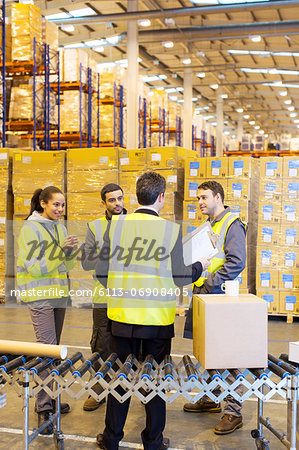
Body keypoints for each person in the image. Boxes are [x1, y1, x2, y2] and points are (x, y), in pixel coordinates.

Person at [95, 171, 210, 450]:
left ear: (136, 196)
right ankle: (153, 441)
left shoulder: (116, 226)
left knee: (119, 380)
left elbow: (101, 273)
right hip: (156, 321)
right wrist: (201, 266)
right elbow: (180, 277)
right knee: (155, 383)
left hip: (121, 318)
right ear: (161, 197)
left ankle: (111, 439)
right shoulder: (170, 231)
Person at [183, 180, 247, 435]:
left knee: (229, 355)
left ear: (218, 197)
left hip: (220, 296)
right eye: (198, 198)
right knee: (209, 352)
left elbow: (236, 262)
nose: (200, 202)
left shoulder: (232, 224)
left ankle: (233, 411)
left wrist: (210, 281)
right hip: (205, 295)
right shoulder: (208, 226)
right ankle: (212, 396)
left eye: (204, 197)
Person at [17, 186, 79, 434]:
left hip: (58, 293)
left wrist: (71, 251)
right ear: (43, 203)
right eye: (56, 205)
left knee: (55, 349)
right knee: (46, 350)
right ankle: (43, 408)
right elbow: (34, 266)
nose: (60, 210)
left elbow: (66, 264)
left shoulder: (60, 228)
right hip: (39, 294)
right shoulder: (30, 229)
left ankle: (50, 398)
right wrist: (60, 251)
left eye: (63, 205)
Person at [81, 183, 127, 411]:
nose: (117, 203)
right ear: (104, 203)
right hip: (103, 296)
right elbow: (86, 261)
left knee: (129, 346)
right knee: (101, 344)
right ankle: (98, 390)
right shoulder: (95, 226)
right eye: (112, 200)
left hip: (129, 297)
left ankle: (128, 389)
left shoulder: (135, 223)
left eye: (120, 198)